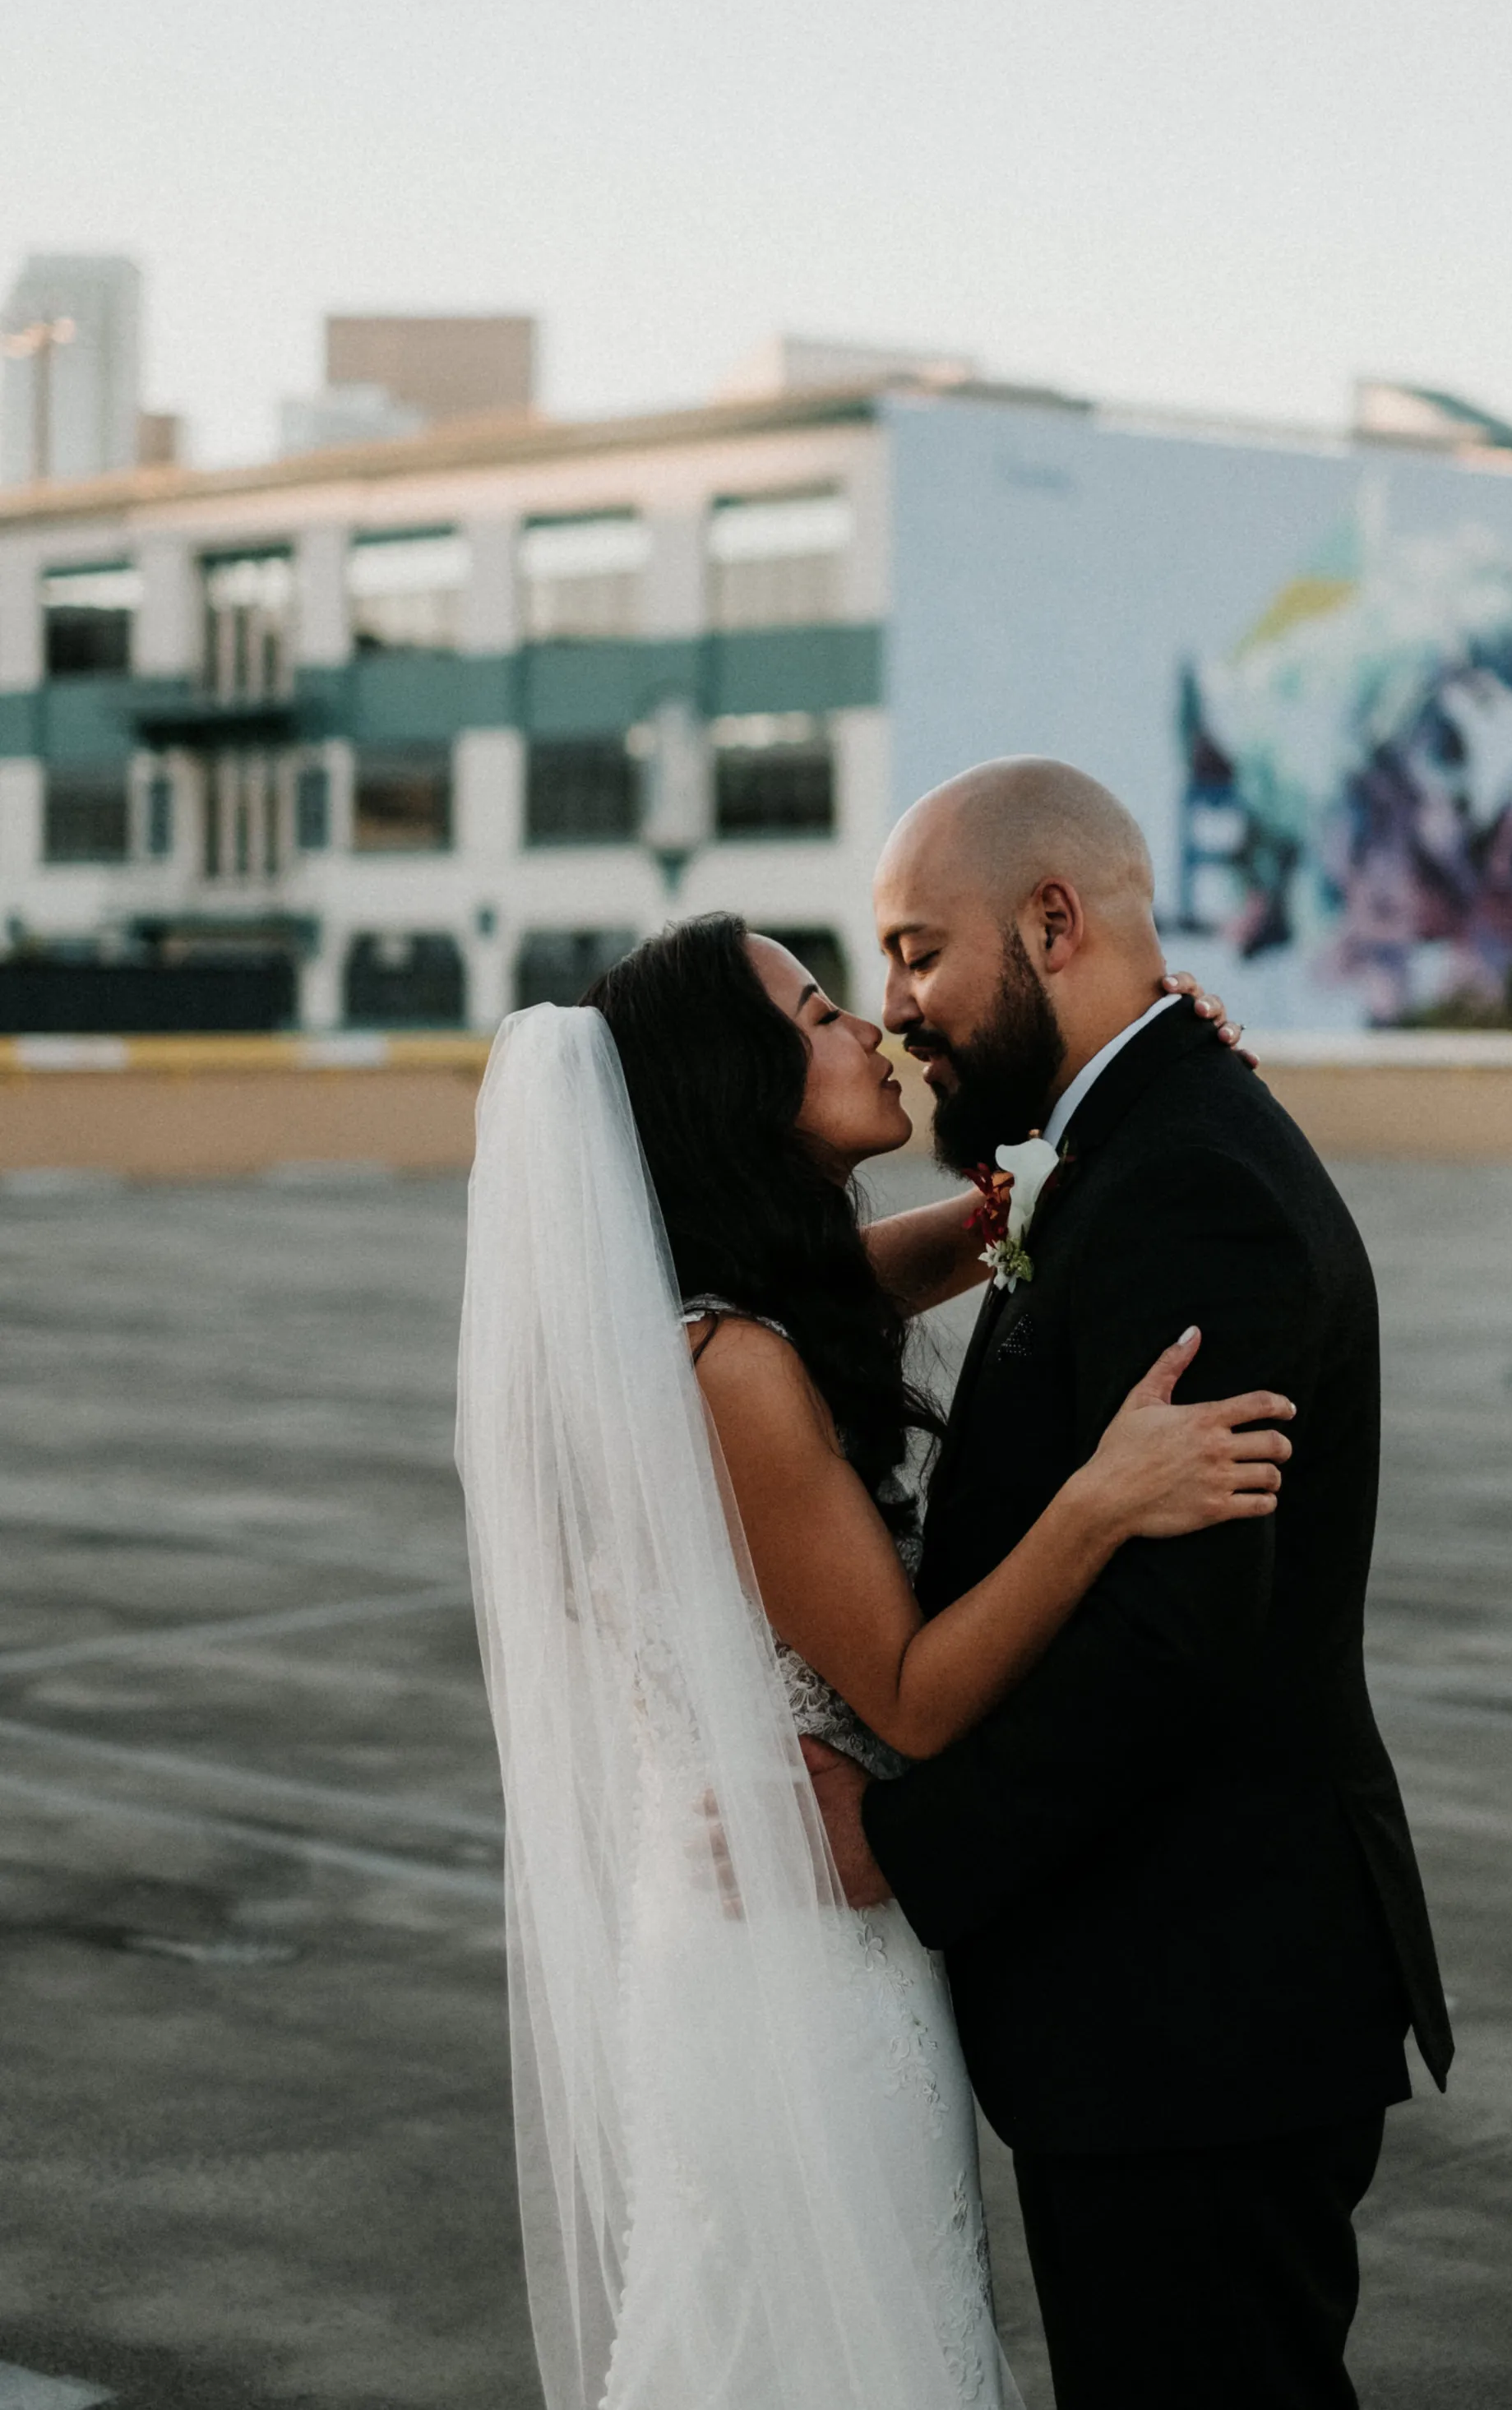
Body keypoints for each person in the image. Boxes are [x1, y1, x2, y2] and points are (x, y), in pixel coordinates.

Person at [456, 910, 1288, 2410]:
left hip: (790, 1936)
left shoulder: (745, 1316)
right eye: (822, 1011)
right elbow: (907, 1691)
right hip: (796, 1963)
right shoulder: (736, 1368)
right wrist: (1103, 1499)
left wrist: (1120, 1086)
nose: (874, 1031)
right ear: (739, 1088)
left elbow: (947, 1245)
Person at [803, 756, 1454, 2409]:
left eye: (915, 952)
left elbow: (1172, 1649)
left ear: (1050, 918)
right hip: (1164, 2013)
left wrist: (898, 1845)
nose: (895, 1010)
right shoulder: (1124, 1154)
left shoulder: (1187, 1187)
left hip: (1201, 2012)